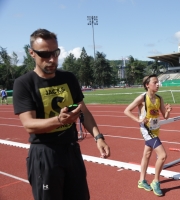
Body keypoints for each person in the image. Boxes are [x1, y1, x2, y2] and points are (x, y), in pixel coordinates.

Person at [13, 28, 110, 200]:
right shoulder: (24, 83)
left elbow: (83, 111)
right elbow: (29, 124)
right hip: (45, 153)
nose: (51, 59)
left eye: (55, 53)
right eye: (44, 54)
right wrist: (58, 120)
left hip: (71, 150)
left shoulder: (69, 78)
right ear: (31, 53)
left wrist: (98, 136)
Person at [124, 74, 172, 196]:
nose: (158, 84)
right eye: (155, 82)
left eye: (158, 82)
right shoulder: (142, 98)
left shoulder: (159, 98)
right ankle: (156, 181)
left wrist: (168, 111)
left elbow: (165, 116)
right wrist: (138, 120)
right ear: (147, 85)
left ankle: (141, 181)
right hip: (147, 131)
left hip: (155, 130)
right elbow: (127, 110)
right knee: (162, 155)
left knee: (147, 154)